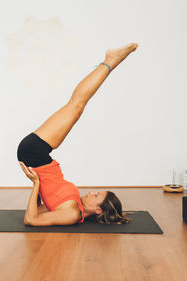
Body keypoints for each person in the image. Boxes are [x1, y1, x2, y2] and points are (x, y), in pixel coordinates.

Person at [17, 43, 138, 226]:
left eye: (96, 195)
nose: (91, 192)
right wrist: (38, 186)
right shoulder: (75, 207)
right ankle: (111, 61)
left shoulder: (72, 214)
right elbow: (40, 210)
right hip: (39, 157)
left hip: (34, 153)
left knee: (76, 105)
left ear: (98, 210)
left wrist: (36, 184)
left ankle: (111, 60)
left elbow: (30, 219)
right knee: (76, 106)